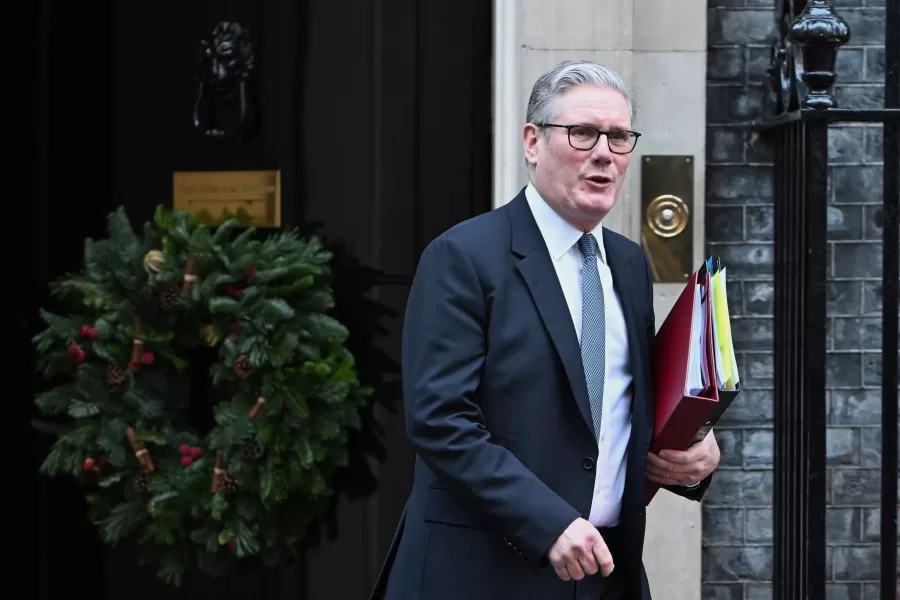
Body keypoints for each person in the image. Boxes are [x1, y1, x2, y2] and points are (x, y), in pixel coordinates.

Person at [370, 60, 721, 600]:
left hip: (605, 575)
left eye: (620, 137)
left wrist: (693, 451)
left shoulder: (629, 264)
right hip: (481, 575)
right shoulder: (463, 257)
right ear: (533, 142)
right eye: (583, 133)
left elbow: (629, 410)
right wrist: (547, 522)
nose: (604, 152)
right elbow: (440, 419)